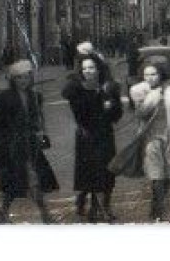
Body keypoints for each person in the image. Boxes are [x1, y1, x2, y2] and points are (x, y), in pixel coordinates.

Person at [115, 59, 170, 222]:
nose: (149, 78)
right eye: (146, 75)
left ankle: (157, 201)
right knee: (156, 175)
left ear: (161, 75)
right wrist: (151, 97)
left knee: (169, 176)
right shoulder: (140, 92)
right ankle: (158, 208)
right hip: (151, 139)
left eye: (153, 74)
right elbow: (140, 114)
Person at [0, 59, 57, 224]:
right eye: (19, 78)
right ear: (13, 79)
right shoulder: (4, 97)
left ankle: (44, 214)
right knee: (16, 181)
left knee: (35, 179)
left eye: (26, 77)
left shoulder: (35, 96)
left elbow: (40, 119)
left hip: (30, 144)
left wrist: (42, 133)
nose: (23, 81)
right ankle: (5, 213)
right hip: (12, 145)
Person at [64, 53, 122, 222]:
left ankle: (102, 205)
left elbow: (117, 115)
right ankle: (95, 207)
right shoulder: (76, 90)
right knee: (90, 173)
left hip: (105, 135)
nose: (88, 71)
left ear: (99, 69)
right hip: (86, 136)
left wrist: (111, 106)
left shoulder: (108, 88)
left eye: (91, 68)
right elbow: (79, 114)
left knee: (108, 172)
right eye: (84, 69)